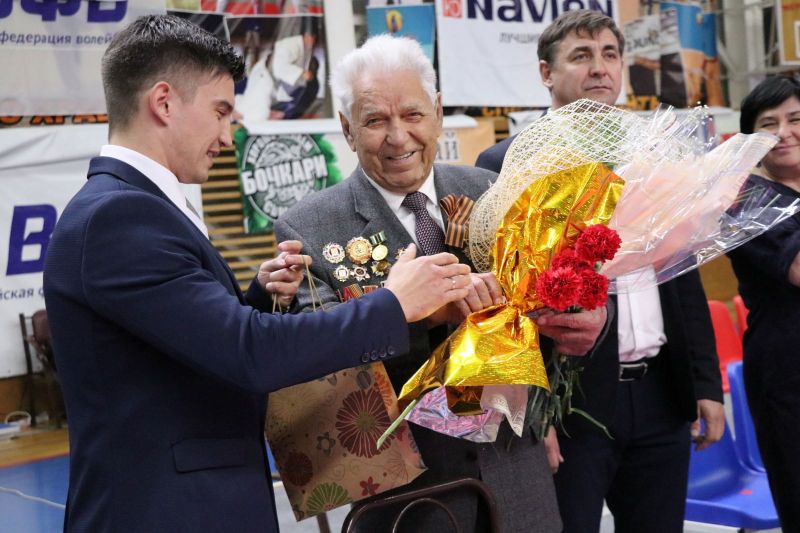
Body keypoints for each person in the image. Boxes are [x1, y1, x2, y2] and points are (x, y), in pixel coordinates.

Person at [42, 15, 473, 533]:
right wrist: (394, 304)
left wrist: (260, 298)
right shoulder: (119, 216)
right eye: (220, 112)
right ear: (164, 103)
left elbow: (193, 344)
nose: (228, 137)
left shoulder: (135, 207)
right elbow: (249, 353)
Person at [274, 34, 607, 532]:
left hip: (518, 482)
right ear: (347, 129)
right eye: (375, 121)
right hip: (405, 497)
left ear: (437, 112)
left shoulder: (492, 191)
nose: (398, 137)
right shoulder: (310, 228)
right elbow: (315, 363)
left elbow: (541, 312)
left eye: (412, 114)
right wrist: (422, 314)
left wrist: (582, 320)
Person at [476, 10, 725, 533]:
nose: (599, 68)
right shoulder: (507, 163)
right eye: (581, 56)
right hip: (571, 407)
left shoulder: (655, 155)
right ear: (546, 72)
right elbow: (501, 304)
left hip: (661, 394)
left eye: (610, 54)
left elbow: (684, 274)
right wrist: (533, 412)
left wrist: (705, 381)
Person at [729, 75, 800, 531]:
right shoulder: (746, 201)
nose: (785, 132)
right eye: (769, 124)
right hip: (789, 375)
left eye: (795, 119)